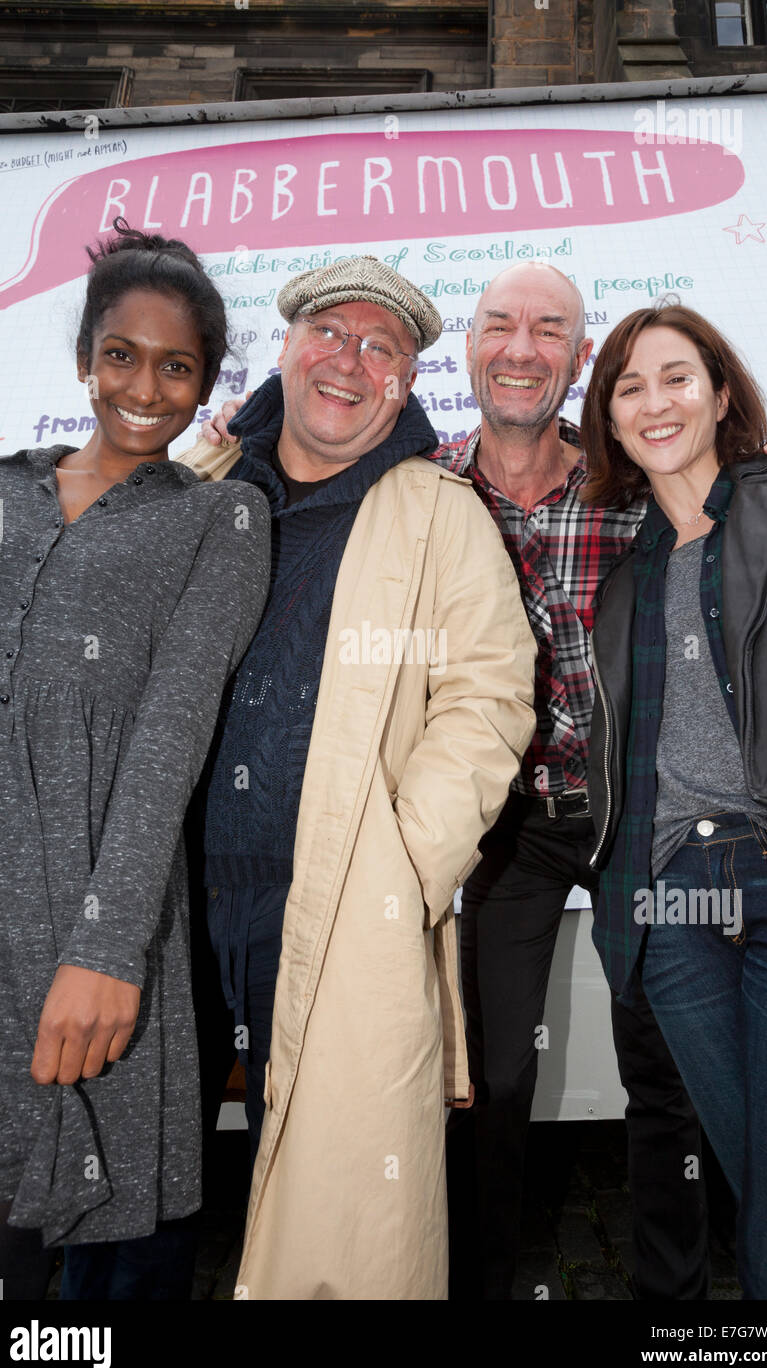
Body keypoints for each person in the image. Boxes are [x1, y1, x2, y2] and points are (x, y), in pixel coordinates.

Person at [178, 254, 537, 1300]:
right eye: (328, 333)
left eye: (379, 347)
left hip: (330, 902)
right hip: (167, 901)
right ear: (284, 349)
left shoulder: (439, 511)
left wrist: (403, 868)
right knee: (136, 1184)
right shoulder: (201, 483)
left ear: (404, 382)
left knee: (331, 1207)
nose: (348, 359)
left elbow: (489, 699)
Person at [0, 219, 270, 1301]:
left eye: (176, 365)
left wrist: (104, 952)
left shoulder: (220, 520)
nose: (145, 385)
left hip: (90, 943)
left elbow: (168, 744)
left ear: (204, 384)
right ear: (85, 358)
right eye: (123, 355)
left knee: (79, 1253)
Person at [428, 263, 711, 1302]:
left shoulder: (632, 479)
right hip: (505, 821)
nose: (519, 344)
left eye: (547, 328)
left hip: (634, 813)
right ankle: (479, 1282)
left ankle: (672, 1305)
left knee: (663, 1064)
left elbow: (731, 493)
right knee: (490, 1076)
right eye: (498, 323)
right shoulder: (424, 488)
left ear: (576, 356)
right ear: (467, 345)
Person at [582, 301, 767, 1299]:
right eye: (627, 386)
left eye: (675, 376)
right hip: (671, 904)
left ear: (718, 392)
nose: (653, 401)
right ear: (607, 417)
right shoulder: (623, 580)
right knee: (762, 1180)